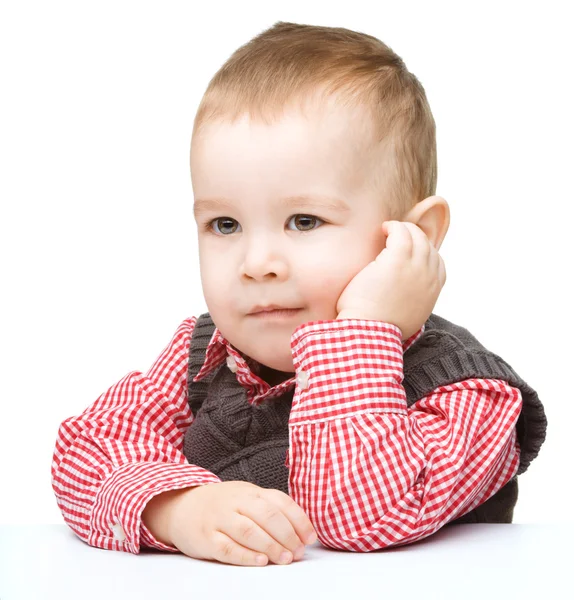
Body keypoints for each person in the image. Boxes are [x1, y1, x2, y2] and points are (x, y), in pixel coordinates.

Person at [51, 21, 547, 568]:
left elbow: (360, 516)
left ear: (414, 236)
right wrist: (177, 508)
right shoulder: (202, 358)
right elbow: (86, 449)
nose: (257, 264)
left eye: (304, 220)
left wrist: (360, 330)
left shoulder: (470, 393)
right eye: (224, 224)